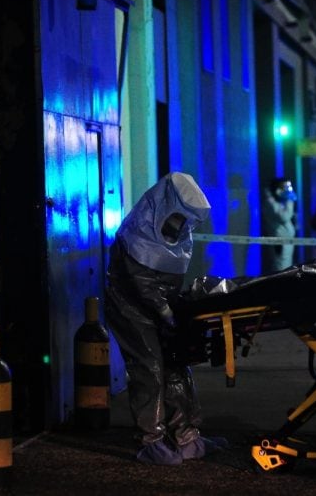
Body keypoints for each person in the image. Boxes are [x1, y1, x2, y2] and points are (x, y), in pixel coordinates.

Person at [104, 172, 226, 466]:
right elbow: (141, 283)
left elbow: (166, 280)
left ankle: (187, 437)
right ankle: (152, 441)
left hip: (159, 312)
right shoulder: (138, 232)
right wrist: (166, 312)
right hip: (131, 311)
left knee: (176, 367)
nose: (181, 227)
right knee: (150, 370)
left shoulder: (176, 234)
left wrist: (172, 312)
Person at [262, 177, 297, 273]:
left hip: (286, 241)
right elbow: (284, 216)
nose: (288, 190)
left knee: (287, 267)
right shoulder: (270, 202)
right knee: (281, 268)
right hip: (279, 241)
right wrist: (290, 201)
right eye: (285, 187)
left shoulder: (280, 202)